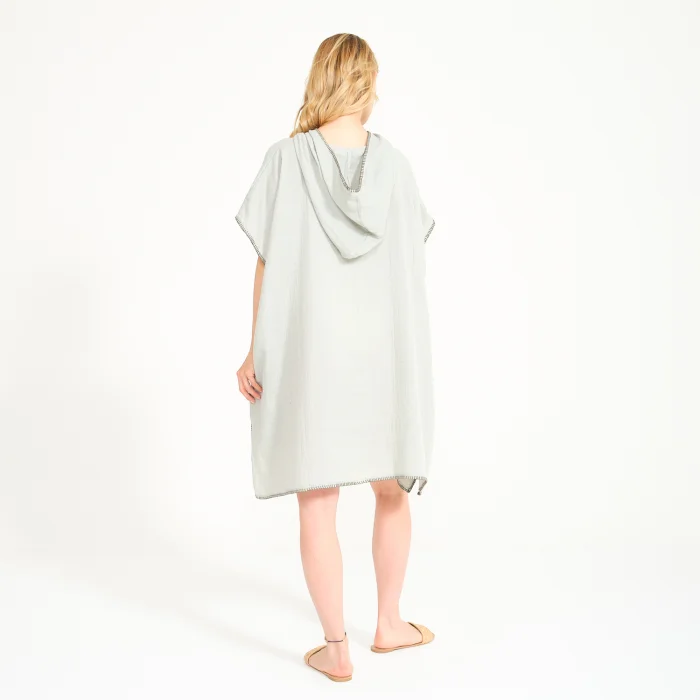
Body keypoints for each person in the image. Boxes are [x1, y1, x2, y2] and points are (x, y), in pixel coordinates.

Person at [235, 33, 435, 682]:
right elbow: (408, 264)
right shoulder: (396, 167)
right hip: (384, 361)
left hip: (313, 358)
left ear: (320, 79)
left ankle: (336, 648)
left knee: (317, 499)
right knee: (391, 489)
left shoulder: (285, 160)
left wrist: (254, 350)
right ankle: (389, 623)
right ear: (368, 84)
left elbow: (268, 262)